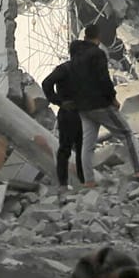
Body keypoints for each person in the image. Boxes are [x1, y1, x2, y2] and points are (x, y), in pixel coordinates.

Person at [58, 33, 139, 180]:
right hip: (101, 106)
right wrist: (112, 99)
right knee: (126, 134)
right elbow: (104, 83)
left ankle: (88, 180)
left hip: (84, 110)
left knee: (87, 146)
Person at [38, 52, 91, 187]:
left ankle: (83, 181)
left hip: (83, 113)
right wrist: (59, 101)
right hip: (68, 113)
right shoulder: (64, 69)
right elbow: (46, 83)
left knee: (82, 148)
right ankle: (63, 183)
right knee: (65, 149)